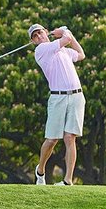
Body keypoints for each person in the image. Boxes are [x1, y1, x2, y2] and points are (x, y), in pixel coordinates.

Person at [29, 23, 86, 185]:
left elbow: (81, 54)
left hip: (76, 96)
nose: (39, 37)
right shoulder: (41, 51)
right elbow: (66, 38)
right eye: (35, 36)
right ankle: (40, 170)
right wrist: (65, 32)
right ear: (34, 42)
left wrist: (68, 35)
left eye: (40, 33)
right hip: (57, 98)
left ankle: (68, 180)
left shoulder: (64, 51)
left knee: (70, 138)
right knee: (52, 139)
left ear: (46, 32)